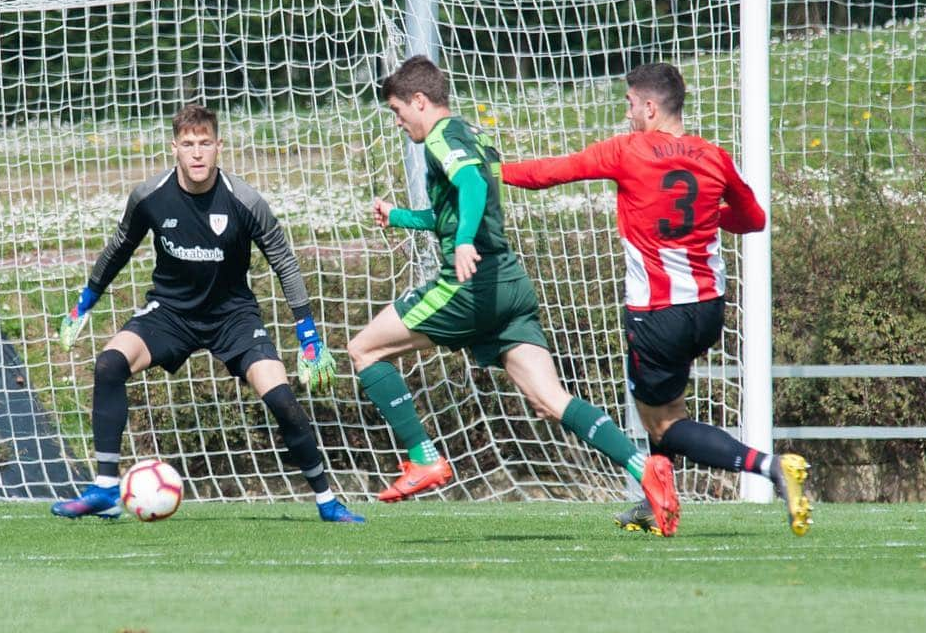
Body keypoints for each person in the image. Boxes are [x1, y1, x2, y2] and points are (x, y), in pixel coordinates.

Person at [347, 55, 680, 535]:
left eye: (399, 111)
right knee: (551, 398)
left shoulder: (440, 138)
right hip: (510, 284)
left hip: (472, 286)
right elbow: (465, 202)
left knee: (363, 348)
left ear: (420, 101)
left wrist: (462, 242)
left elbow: (469, 183)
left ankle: (422, 458)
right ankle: (643, 468)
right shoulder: (473, 135)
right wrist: (402, 217)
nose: (399, 123)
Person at [501, 62, 812, 536]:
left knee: (665, 424)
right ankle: (654, 505)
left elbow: (550, 173)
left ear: (649, 107)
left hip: (657, 313)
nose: (626, 114)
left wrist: (490, 170)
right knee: (661, 406)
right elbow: (753, 219)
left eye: (629, 104)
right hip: (708, 309)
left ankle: (771, 467)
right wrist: (707, 218)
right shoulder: (713, 156)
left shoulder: (628, 151)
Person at [52, 103, 362, 523]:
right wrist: (84, 302)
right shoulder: (150, 197)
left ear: (219, 147)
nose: (196, 153)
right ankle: (106, 488)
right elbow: (118, 248)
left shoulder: (245, 200)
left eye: (204, 144)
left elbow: (285, 263)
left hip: (233, 318)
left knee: (282, 398)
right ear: (174, 148)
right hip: (170, 314)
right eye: (187, 144)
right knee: (109, 364)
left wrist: (308, 333)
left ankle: (327, 500)